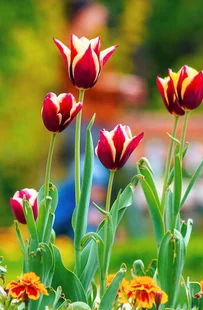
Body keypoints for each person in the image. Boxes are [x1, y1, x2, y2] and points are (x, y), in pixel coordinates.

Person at [53, 0, 146, 237]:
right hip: (83, 122)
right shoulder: (74, 41)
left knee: (93, 177)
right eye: (97, 13)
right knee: (90, 176)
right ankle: (65, 224)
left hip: (99, 121)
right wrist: (121, 85)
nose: (102, 18)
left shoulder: (90, 41)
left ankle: (63, 224)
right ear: (82, 13)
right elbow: (85, 80)